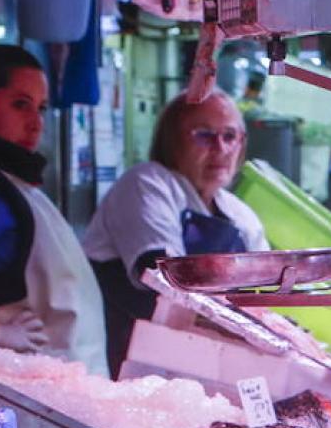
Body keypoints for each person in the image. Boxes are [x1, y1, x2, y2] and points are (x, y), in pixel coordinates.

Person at [0, 44, 109, 374]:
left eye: (41, 108)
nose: (36, 123)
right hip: (15, 398)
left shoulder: (8, 180)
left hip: (56, 396)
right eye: (20, 105)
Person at [84, 88, 267, 375]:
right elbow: (163, 276)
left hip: (205, 366)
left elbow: (264, 298)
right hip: (126, 363)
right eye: (204, 135)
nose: (220, 149)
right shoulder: (147, 183)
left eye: (229, 136)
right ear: (173, 142)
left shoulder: (241, 216)